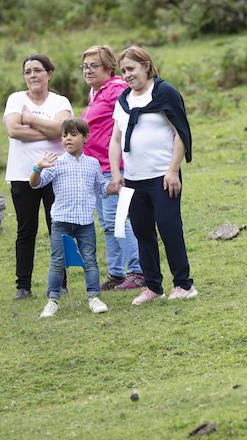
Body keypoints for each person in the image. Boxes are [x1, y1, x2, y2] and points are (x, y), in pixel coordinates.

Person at [108, 46, 197, 304]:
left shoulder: (164, 93)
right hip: (133, 180)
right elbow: (115, 140)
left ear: (146, 66)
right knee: (142, 232)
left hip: (162, 177)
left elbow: (181, 132)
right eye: (123, 70)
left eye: (131, 69)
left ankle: (184, 284)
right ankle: (152, 286)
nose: (127, 75)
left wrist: (173, 170)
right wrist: (116, 175)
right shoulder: (123, 100)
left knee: (169, 229)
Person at [3, 55, 72, 300]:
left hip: (56, 173)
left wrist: (30, 120)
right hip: (23, 174)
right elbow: (13, 130)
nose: (33, 75)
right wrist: (50, 132)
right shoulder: (15, 99)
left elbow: (62, 129)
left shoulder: (60, 101)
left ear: (49, 74)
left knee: (58, 227)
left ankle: (61, 282)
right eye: (28, 71)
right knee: (26, 229)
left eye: (38, 70)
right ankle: (23, 285)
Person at [31, 119, 112, 317]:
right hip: (61, 222)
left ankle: (94, 297)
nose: (67, 138)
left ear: (85, 138)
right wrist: (38, 168)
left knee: (90, 260)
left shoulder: (93, 164)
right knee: (58, 261)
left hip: (85, 223)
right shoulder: (56, 163)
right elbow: (35, 184)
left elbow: (102, 188)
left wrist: (114, 186)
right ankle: (52, 300)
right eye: (64, 135)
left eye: (73, 134)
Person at [80, 45, 144, 291]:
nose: (88, 70)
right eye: (85, 66)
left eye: (94, 65)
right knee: (107, 223)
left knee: (118, 219)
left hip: (113, 167)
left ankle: (138, 271)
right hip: (97, 168)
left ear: (108, 68)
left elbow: (133, 109)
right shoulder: (95, 92)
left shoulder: (116, 88)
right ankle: (116, 273)